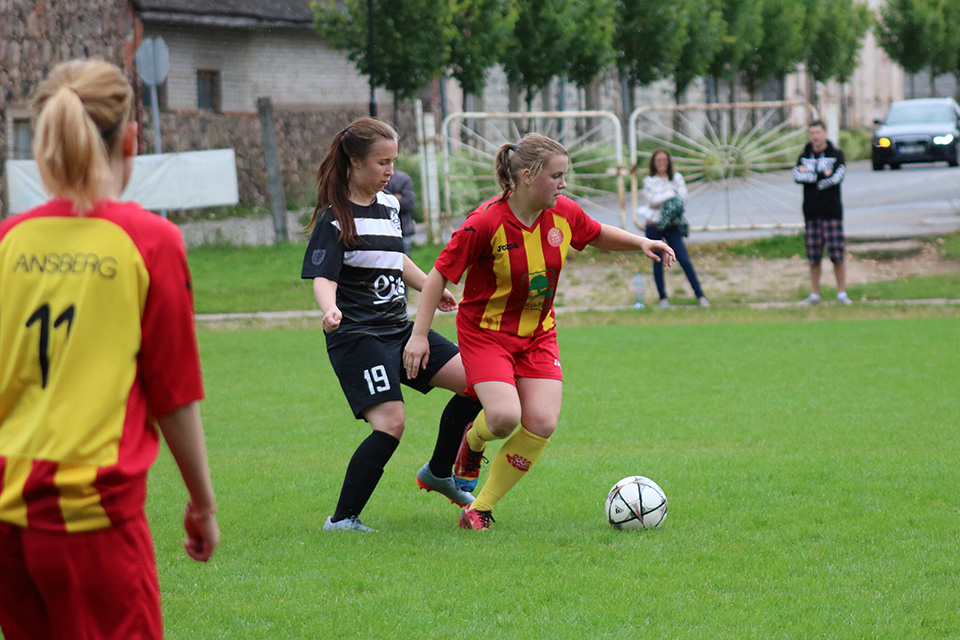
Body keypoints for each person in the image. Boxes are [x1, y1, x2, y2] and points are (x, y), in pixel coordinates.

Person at [0, 59, 219, 640]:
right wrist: (202, 504)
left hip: (6, 517)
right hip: (91, 515)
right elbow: (173, 395)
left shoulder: (8, 240)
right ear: (131, 140)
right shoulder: (149, 241)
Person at [403, 133, 676, 531]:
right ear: (527, 176)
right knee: (503, 418)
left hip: (538, 334)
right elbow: (438, 275)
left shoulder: (562, 213)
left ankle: (479, 508)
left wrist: (641, 243)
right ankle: (473, 440)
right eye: (556, 176)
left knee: (542, 423)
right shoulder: (484, 222)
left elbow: (595, 233)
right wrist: (419, 335)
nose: (564, 184)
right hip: (486, 334)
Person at [300, 117, 481, 533]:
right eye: (382, 163)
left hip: (399, 330)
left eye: (393, 162)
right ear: (354, 161)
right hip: (357, 336)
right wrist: (329, 309)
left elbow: (395, 259)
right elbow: (323, 277)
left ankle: (439, 472)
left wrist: (430, 287)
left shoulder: (390, 206)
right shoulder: (334, 218)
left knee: (479, 383)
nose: (390, 171)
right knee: (391, 423)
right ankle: (342, 520)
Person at [641, 148, 709, 308]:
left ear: (669, 162)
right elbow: (652, 201)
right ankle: (663, 298)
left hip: (672, 225)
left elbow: (683, 198)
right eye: (658, 160)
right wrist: (672, 194)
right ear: (653, 163)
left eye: (664, 160)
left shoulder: (676, 178)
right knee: (657, 262)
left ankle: (700, 295)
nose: (661, 163)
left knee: (684, 259)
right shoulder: (649, 180)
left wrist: (666, 198)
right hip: (654, 224)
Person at [793, 120, 851, 305]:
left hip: (832, 212)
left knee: (837, 255)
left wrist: (812, 177)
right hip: (811, 213)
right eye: (812, 133)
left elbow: (836, 177)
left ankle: (842, 293)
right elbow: (797, 176)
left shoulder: (836, 155)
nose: (815, 136)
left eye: (818, 132)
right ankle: (814, 294)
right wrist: (821, 175)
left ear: (825, 133)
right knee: (813, 257)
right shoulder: (804, 156)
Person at [385, 169, 416, 256]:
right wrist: (395, 198)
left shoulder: (403, 178)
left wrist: (388, 199)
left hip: (403, 233)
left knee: (404, 261)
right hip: (382, 233)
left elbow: (409, 204)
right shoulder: (373, 179)